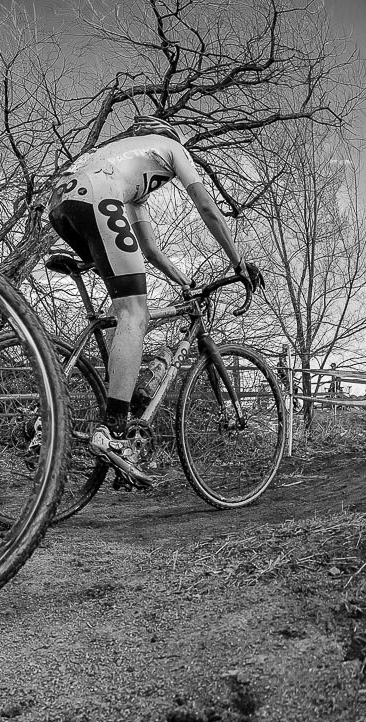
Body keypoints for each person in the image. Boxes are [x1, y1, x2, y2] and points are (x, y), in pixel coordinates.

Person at [47, 115, 257, 486]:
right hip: (98, 199)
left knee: (121, 313)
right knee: (135, 314)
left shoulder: (123, 161)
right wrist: (238, 262)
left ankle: (115, 416)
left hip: (62, 204)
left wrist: (184, 281)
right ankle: (113, 431)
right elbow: (208, 208)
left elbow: (149, 249)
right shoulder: (173, 148)